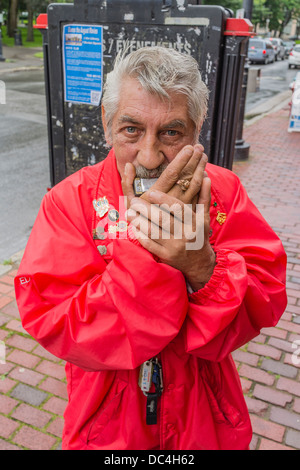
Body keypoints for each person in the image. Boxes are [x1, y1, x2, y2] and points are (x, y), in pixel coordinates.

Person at [15, 46, 287, 450]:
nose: (149, 155)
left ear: (196, 130)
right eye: (131, 130)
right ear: (107, 125)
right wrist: (145, 255)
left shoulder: (224, 191)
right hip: (108, 421)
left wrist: (202, 267)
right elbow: (56, 322)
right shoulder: (69, 200)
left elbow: (264, 300)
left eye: (171, 133)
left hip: (202, 411)